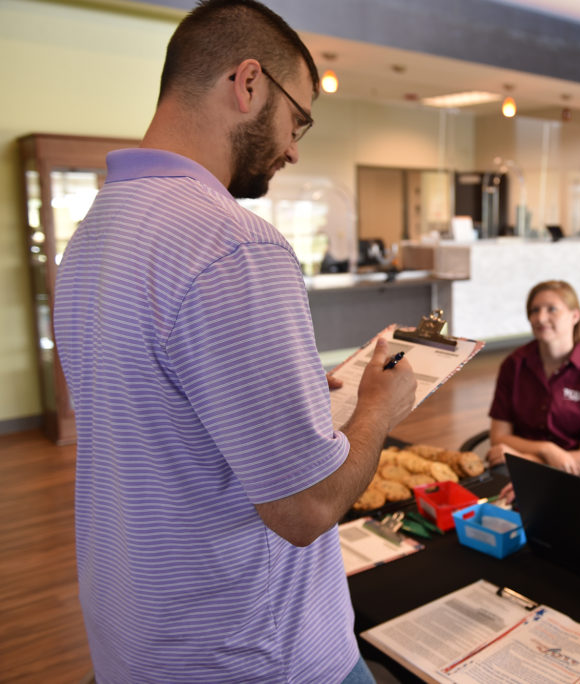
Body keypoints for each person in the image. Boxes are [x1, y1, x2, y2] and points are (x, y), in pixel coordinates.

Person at [52, 2, 416, 681]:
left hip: (137, 642)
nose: (295, 146)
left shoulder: (93, 231)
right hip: (257, 654)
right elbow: (304, 508)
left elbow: (168, 418)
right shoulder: (234, 243)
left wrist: (299, 396)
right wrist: (380, 408)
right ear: (247, 83)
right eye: (298, 118)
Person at [486, 280, 580, 476]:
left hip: (570, 475)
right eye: (534, 310)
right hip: (515, 467)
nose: (540, 317)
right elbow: (499, 437)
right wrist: (546, 450)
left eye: (552, 309)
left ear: (575, 316)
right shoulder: (513, 365)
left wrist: (530, 460)